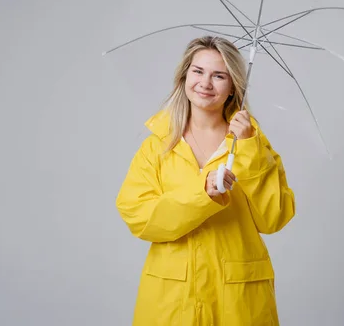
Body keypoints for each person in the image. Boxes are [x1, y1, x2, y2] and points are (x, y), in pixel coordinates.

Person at [115, 35, 296, 325]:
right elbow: (139, 216)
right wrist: (203, 195)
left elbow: (274, 218)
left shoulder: (252, 142)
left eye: (219, 75)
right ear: (184, 75)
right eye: (198, 71)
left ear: (234, 85)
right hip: (173, 297)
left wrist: (249, 148)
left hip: (237, 299)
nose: (205, 83)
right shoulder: (158, 145)